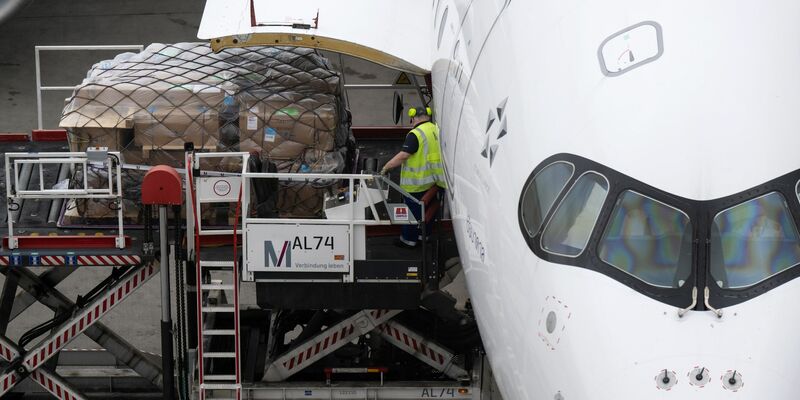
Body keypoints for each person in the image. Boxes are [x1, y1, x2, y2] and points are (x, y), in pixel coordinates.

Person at [380, 106, 447, 248]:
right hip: (433, 181)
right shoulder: (435, 129)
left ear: (413, 118)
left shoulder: (415, 134)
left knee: (411, 215)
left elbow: (404, 155)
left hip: (416, 184)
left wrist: (386, 167)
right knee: (428, 212)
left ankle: (408, 241)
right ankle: (424, 236)